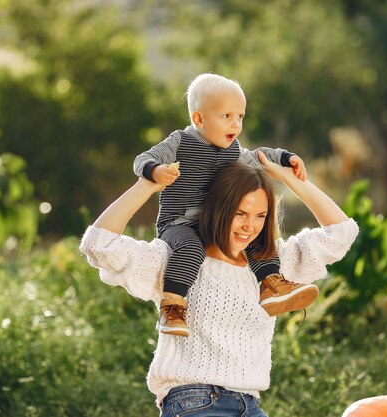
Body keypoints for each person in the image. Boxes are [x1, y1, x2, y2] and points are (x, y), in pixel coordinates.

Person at [80, 154, 359, 416]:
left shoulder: (272, 269)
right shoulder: (179, 260)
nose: (249, 227)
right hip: (195, 402)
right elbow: (98, 245)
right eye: (240, 214)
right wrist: (146, 184)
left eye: (260, 216)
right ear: (217, 209)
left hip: (249, 404)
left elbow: (341, 233)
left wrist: (292, 180)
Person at [134, 72, 315, 337]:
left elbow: (257, 157)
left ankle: (271, 284)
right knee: (191, 248)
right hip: (179, 223)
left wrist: (286, 158)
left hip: (215, 222)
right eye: (227, 116)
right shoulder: (181, 142)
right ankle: (172, 306)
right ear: (199, 119)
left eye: (240, 116)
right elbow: (143, 159)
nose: (236, 124)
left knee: (255, 235)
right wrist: (156, 170)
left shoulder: (231, 149)